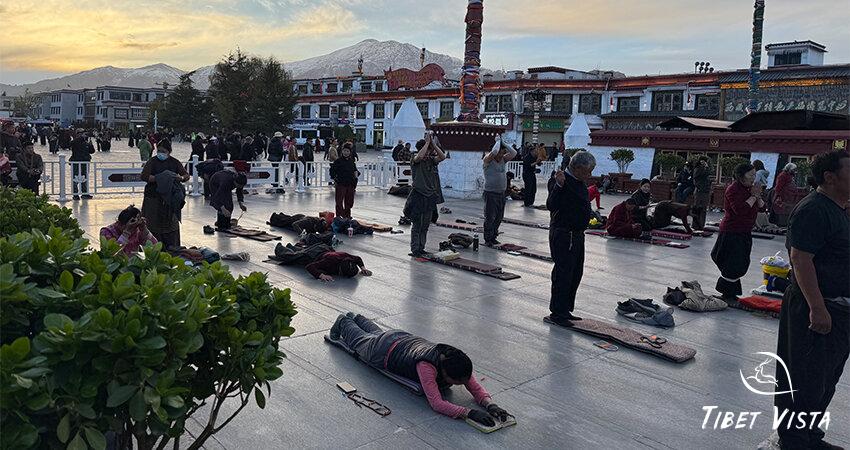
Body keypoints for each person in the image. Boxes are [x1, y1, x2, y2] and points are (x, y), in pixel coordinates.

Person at [774, 151, 849, 450]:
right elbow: (800, 259)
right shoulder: (814, 209)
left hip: (839, 310)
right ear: (830, 178)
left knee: (826, 378)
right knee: (803, 378)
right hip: (816, 308)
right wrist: (817, 308)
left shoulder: (838, 208)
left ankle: (810, 435)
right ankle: (793, 440)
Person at [328, 313, 509, 427]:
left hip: (399, 337)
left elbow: (474, 386)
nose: (460, 385)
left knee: (377, 333)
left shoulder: (454, 360)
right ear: (445, 373)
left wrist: (490, 405)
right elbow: (437, 403)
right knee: (359, 340)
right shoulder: (426, 367)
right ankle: (344, 320)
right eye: (456, 382)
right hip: (381, 351)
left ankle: (358, 318)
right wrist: (468, 412)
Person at [545, 151, 596, 326]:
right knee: (563, 274)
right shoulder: (560, 179)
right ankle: (557, 313)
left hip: (577, 235)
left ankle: (565, 309)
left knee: (575, 273)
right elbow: (551, 205)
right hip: (563, 235)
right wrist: (558, 186)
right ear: (578, 167)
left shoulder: (579, 181)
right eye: (588, 171)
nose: (590, 175)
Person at [710, 163, 764, 302]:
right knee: (731, 261)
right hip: (731, 231)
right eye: (750, 175)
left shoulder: (750, 189)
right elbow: (740, 210)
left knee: (740, 262)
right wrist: (753, 196)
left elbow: (763, 208)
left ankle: (730, 292)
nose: (753, 178)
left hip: (745, 231)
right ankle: (726, 293)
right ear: (741, 176)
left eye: (754, 175)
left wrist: (757, 196)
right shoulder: (732, 189)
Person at [140, 139, 189, 249]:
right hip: (153, 198)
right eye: (159, 150)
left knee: (170, 225)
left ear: (169, 151)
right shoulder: (152, 161)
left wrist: (179, 178)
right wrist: (160, 178)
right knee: (152, 225)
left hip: (169, 201)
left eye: (163, 151)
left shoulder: (174, 162)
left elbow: (186, 175)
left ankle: (172, 248)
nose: (160, 153)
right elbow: (144, 176)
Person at [404, 132, 446, 257]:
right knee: (417, 225)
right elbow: (419, 156)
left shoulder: (432, 161)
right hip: (418, 195)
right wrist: (427, 143)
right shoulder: (415, 159)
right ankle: (415, 249)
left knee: (425, 225)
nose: (429, 152)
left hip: (430, 197)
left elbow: (443, 157)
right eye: (427, 150)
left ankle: (421, 248)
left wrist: (433, 144)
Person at [482, 135, 517, 246]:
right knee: (490, 217)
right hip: (490, 193)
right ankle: (488, 238)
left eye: (503, 153)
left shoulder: (503, 160)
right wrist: (498, 141)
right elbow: (495, 151)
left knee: (498, 217)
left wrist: (504, 143)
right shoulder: (487, 160)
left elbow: (514, 153)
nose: (502, 155)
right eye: (501, 153)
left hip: (501, 193)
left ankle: (494, 236)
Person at [330, 143, 359, 218]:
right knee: (339, 201)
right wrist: (335, 179)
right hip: (341, 184)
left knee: (349, 202)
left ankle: (347, 216)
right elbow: (332, 171)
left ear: (350, 152)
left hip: (350, 184)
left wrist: (356, 176)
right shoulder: (338, 161)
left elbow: (355, 171)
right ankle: (339, 216)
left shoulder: (351, 161)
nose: (346, 153)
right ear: (342, 152)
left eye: (347, 151)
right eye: (344, 151)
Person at [307, 251, 372, 282]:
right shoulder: (329, 261)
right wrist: (321, 276)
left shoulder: (348, 258)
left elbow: (357, 258)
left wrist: (363, 268)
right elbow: (310, 266)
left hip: (329, 251)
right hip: (316, 255)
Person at [70, 130, 94, 199]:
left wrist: (90, 144)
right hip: (76, 163)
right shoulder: (75, 141)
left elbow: (92, 151)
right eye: (82, 134)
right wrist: (80, 138)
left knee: (85, 178)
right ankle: (75, 194)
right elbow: (70, 144)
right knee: (76, 178)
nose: (84, 135)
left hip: (85, 163)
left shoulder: (86, 143)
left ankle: (85, 193)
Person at [771, 163, 798, 227]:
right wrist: (777, 196)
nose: (795, 171)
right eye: (793, 169)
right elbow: (778, 187)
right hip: (783, 197)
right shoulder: (783, 176)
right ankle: (781, 224)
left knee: (786, 210)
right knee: (781, 210)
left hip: (788, 197)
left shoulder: (789, 176)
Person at [691, 156, 712, 230]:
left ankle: (701, 225)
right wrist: (706, 167)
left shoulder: (704, 168)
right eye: (703, 161)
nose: (704, 163)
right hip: (700, 191)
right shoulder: (698, 168)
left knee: (703, 209)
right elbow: (697, 177)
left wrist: (706, 167)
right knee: (697, 208)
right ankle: (695, 225)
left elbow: (709, 172)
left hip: (705, 190)